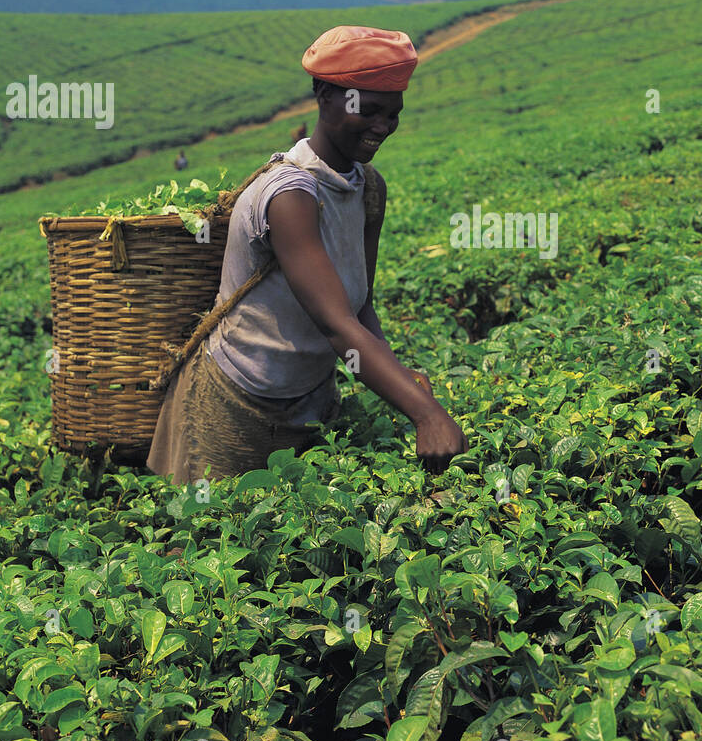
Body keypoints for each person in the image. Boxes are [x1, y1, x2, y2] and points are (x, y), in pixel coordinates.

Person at [147, 25, 468, 484]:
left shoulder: (369, 189)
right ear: (324, 96)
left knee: (293, 538)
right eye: (370, 111)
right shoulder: (288, 196)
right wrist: (425, 413)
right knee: (206, 543)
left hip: (310, 400)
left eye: (393, 115)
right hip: (232, 402)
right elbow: (334, 323)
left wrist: (400, 378)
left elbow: (359, 309)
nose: (383, 127)